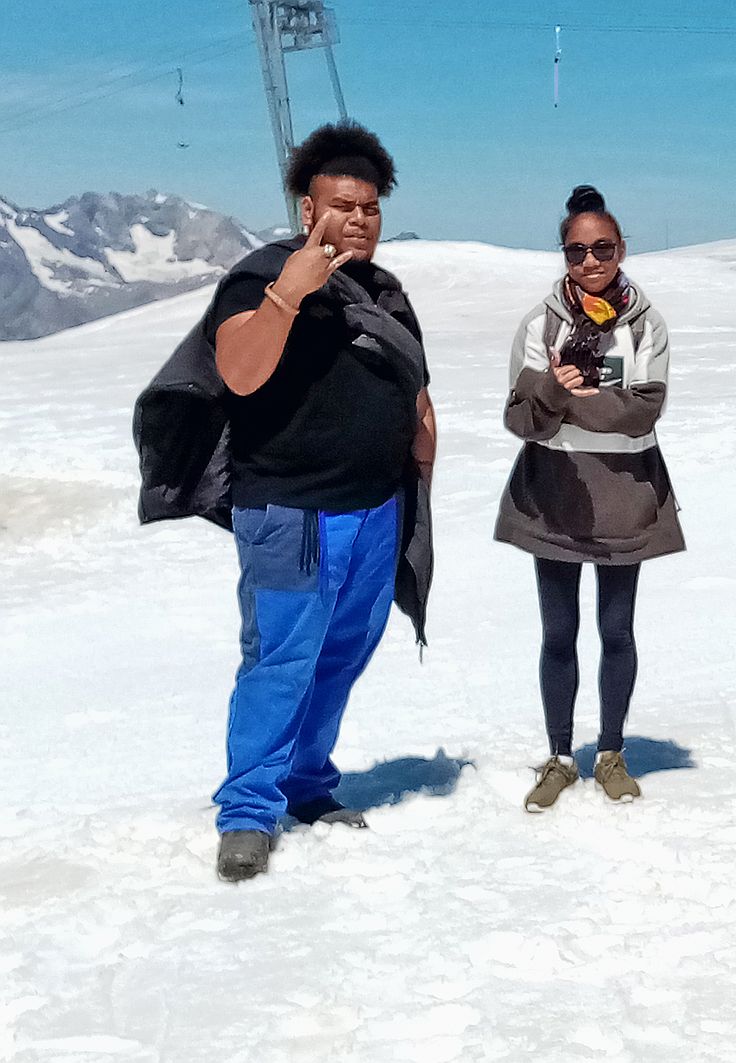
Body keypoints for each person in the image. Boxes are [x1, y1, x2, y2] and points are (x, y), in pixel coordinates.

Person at [136, 120, 436, 880]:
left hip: (374, 507)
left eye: (369, 206)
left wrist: (420, 442)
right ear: (309, 210)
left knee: (340, 656)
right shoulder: (259, 275)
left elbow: (411, 382)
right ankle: (247, 809)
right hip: (291, 513)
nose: (358, 218)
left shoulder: (383, 290)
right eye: (343, 204)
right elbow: (236, 371)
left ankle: (305, 782)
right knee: (280, 658)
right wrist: (285, 297)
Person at [495, 185, 683, 812]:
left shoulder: (646, 322)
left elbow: (644, 412)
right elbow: (523, 420)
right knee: (558, 632)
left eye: (602, 248)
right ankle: (558, 757)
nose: (590, 262)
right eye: (577, 252)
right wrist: (552, 389)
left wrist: (569, 400)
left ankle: (611, 753)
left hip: (625, 493)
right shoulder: (539, 324)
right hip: (554, 492)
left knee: (617, 629)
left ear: (622, 248)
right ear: (564, 256)